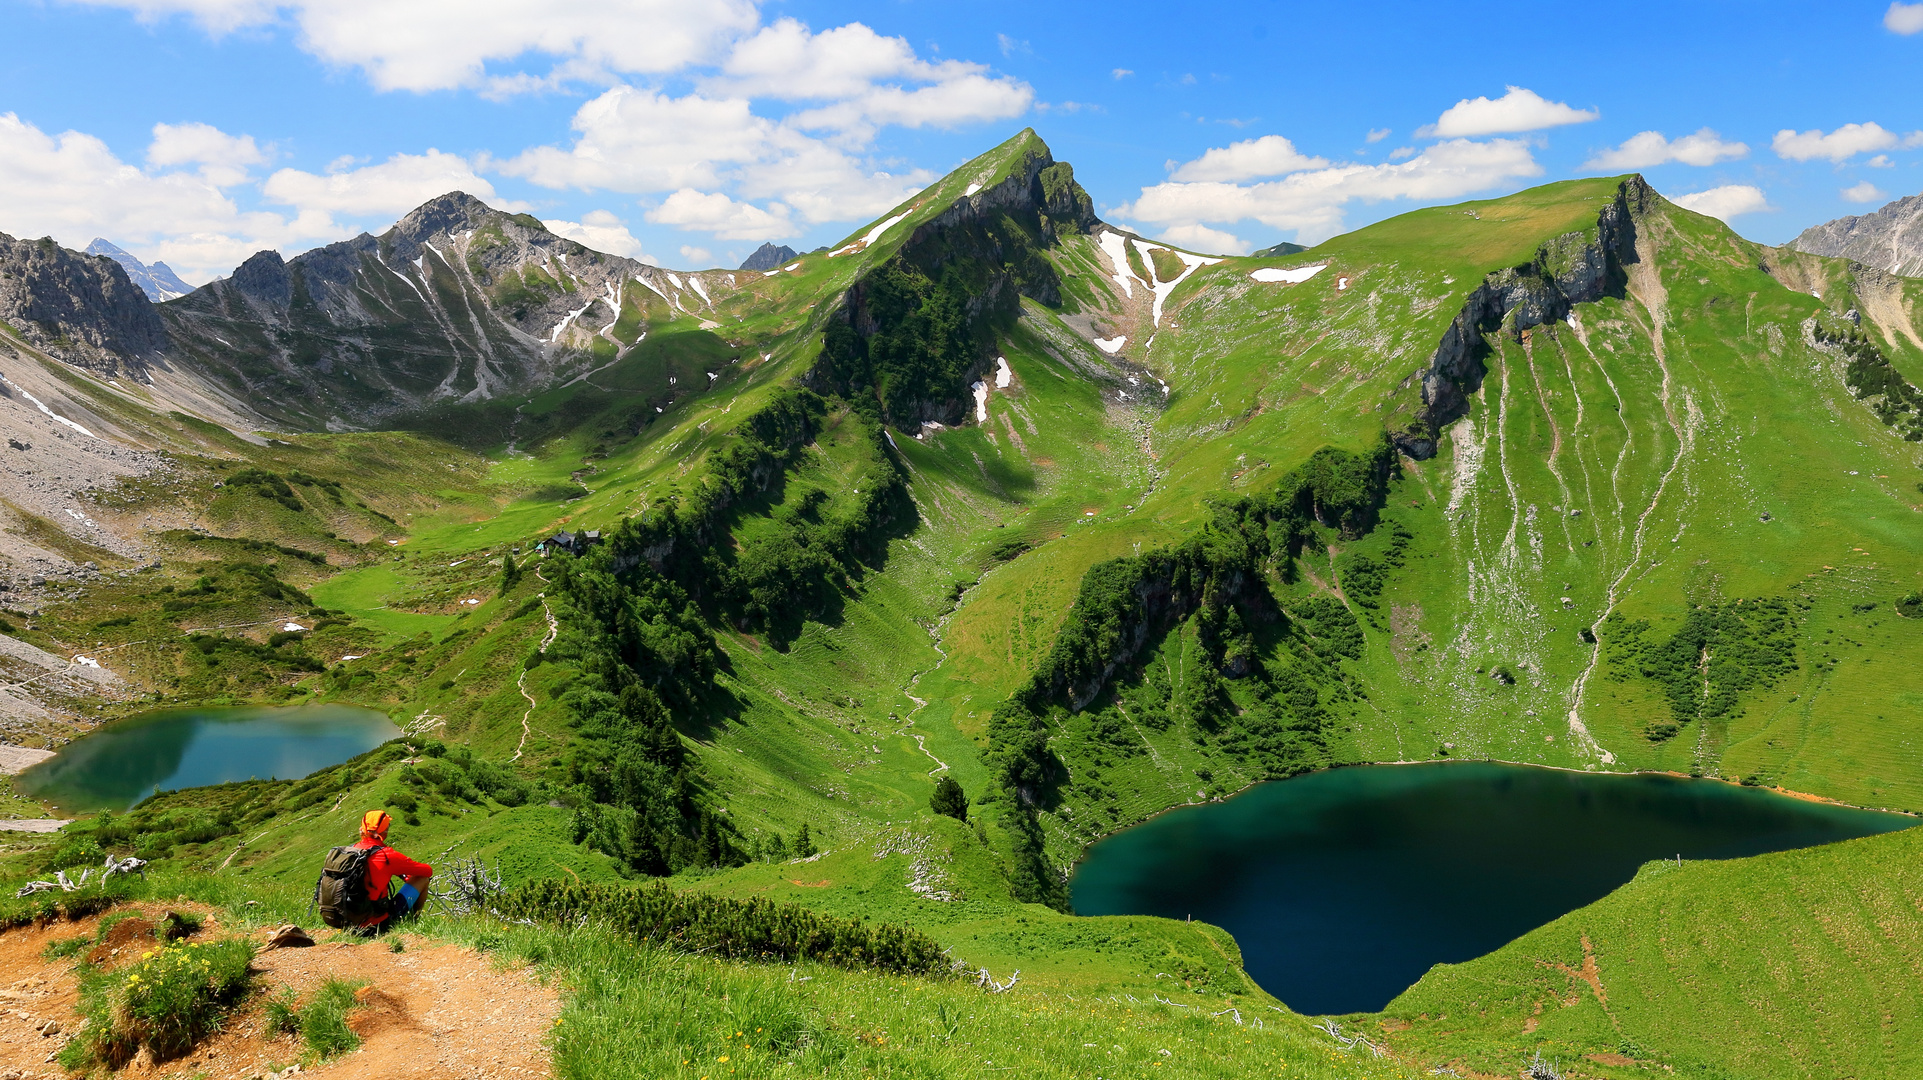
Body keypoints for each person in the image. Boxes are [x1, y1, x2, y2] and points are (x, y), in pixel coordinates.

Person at [351, 810, 433, 932]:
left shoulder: (352, 850)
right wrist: (405, 873)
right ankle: (413, 921)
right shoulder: (386, 855)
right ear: (384, 832)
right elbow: (427, 871)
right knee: (422, 879)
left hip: (347, 922)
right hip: (376, 925)